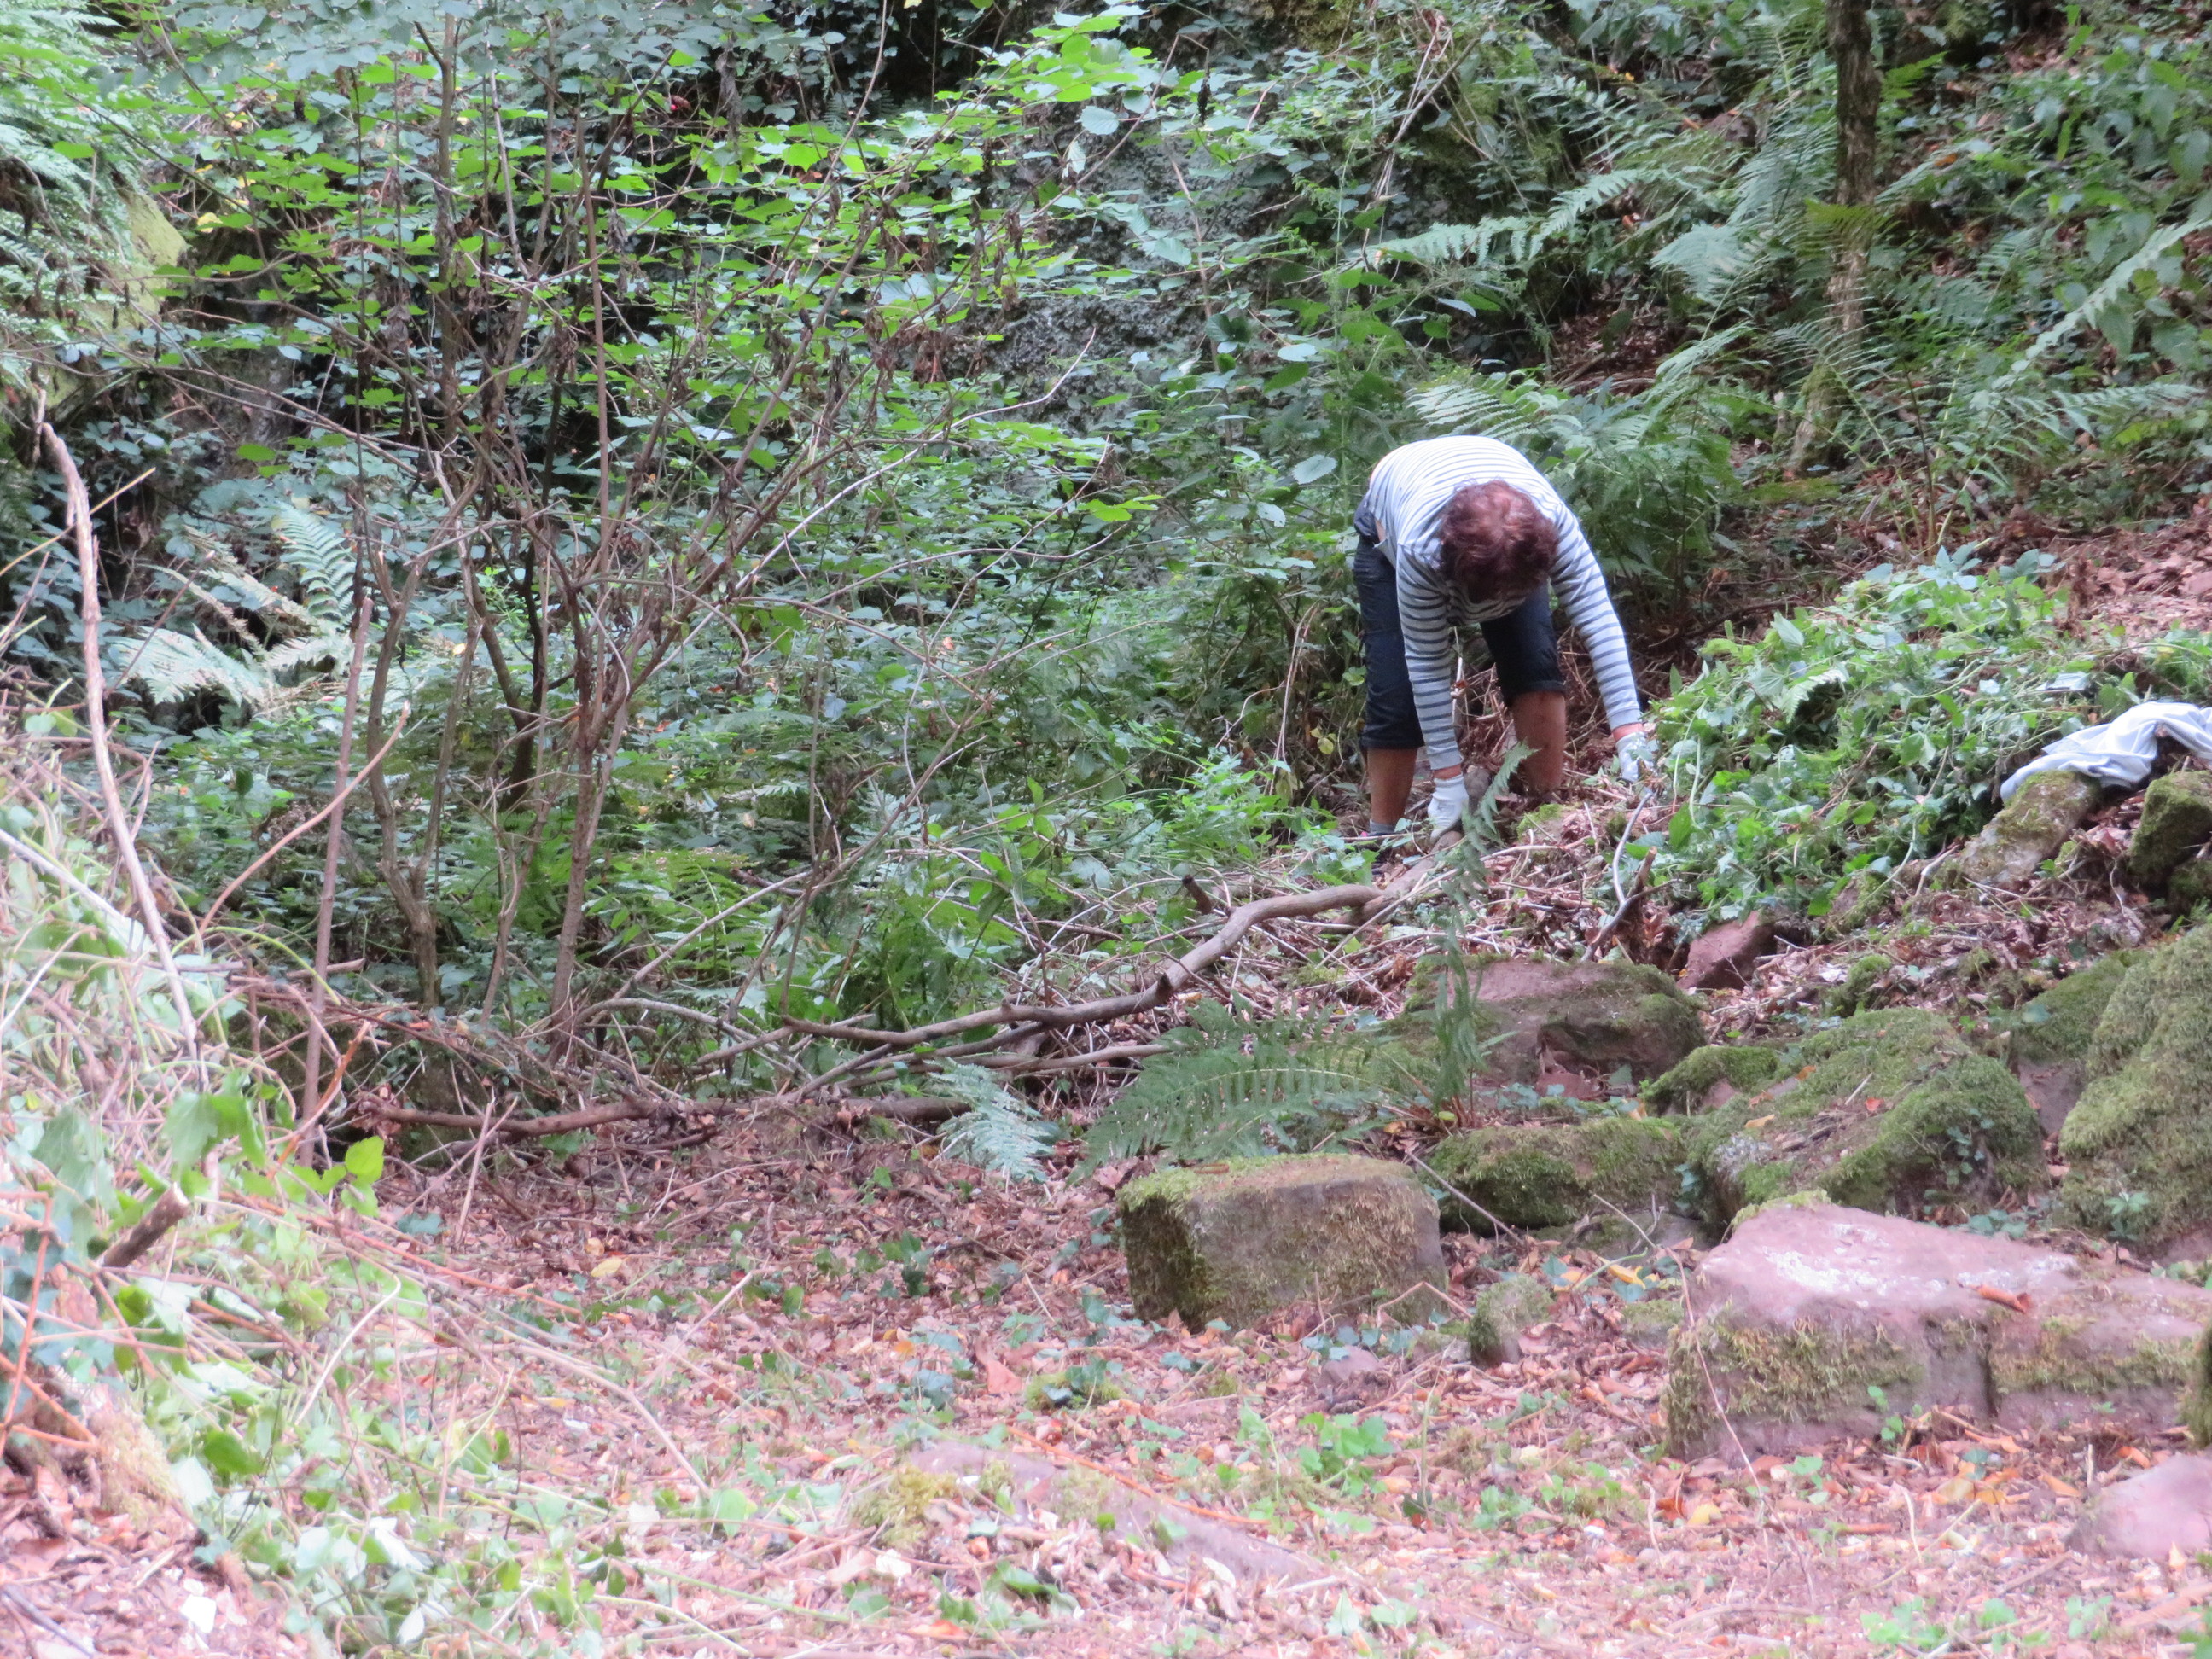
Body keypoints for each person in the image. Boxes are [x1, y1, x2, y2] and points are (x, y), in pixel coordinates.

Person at [1353, 434, 1652, 837]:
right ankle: (1381, 837)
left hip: (1504, 541)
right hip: (1396, 519)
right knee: (1396, 691)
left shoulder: (1547, 524)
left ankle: (1547, 808)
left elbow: (1599, 621)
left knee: (1534, 665)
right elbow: (1426, 663)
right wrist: (1447, 780)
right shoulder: (1419, 548)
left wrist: (1631, 736)